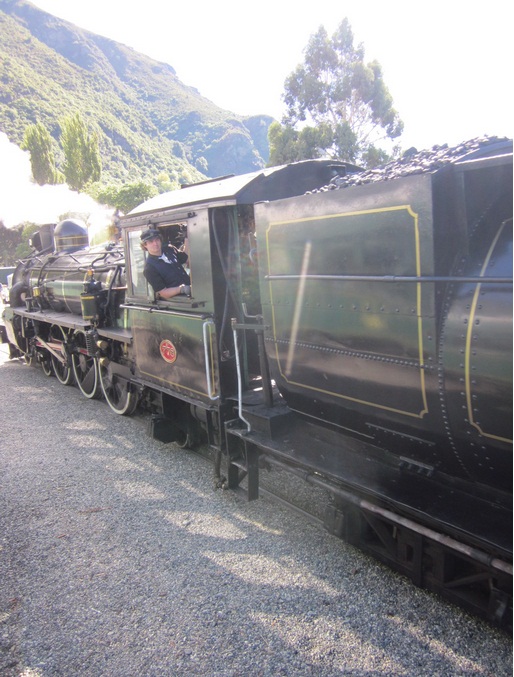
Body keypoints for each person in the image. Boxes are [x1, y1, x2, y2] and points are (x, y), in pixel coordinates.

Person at [140, 228, 191, 300]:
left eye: (157, 239)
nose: (155, 243)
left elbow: (186, 259)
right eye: (151, 241)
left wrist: (187, 237)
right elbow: (163, 293)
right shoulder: (149, 268)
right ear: (145, 245)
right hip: (179, 301)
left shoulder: (169, 250)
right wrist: (182, 289)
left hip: (193, 293)